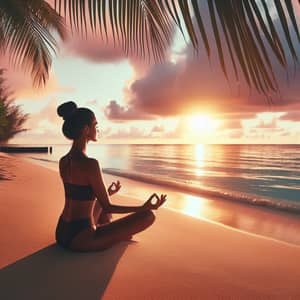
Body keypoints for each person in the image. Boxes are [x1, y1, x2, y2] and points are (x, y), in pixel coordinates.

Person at [55, 101, 167, 251]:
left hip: (62, 233)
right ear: (86, 129)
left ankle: (108, 230)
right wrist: (142, 207)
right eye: (95, 125)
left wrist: (108, 193)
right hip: (81, 239)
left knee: (101, 206)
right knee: (148, 216)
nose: (97, 129)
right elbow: (108, 207)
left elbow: (78, 195)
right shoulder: (90, 164)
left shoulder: (64, 161)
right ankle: (114, 235)